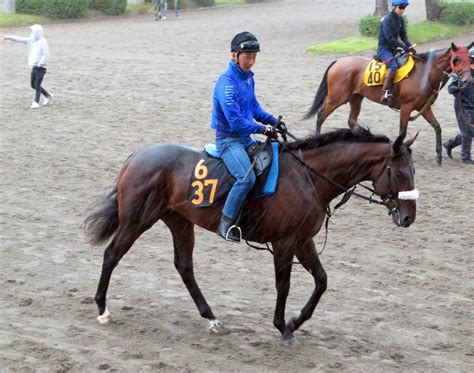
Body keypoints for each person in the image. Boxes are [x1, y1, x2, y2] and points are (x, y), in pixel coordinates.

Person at [211, 31, 279, 242]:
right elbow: (235, 121)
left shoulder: (248, 79)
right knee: (246, 177)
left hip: (245, 139)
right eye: (247, 56)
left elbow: (253, 107)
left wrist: (272, 120)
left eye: (254, 57)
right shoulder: (227, 83)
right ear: (234, 55)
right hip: (228, 141)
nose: (251, 61)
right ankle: (225, 224)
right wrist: (262, 129)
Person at [376, 0, 416, 105]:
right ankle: (384, 93)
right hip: (384, 49)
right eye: (400, 7)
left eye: (404, 8)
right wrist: (403, 46)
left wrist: (409, 45)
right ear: (393, 6)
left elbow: (403, 36)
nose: (402, 10)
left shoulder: (400, 20)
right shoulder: (387, 20)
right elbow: (389, 38)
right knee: (393, 66)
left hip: (394, 49)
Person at [4, 24, 52, 109]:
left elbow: (46, 54)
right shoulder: (31, 40)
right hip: (34, 66)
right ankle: (47, 95)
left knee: (37, 84)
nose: (32, 33)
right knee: (33, 85)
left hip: (41, 67)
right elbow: (20, 39)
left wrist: (41, 63)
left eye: (33, 31)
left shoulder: (43, 42)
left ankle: (36, 102)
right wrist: (8, 37)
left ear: (38, 32)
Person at [443, 48, 474, 164]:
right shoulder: (462, 74)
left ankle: (449, 143)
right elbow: (451, 89)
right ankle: (466, 157)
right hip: (463, 106)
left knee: (471, 132)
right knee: (467, 132)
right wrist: (459, 86)